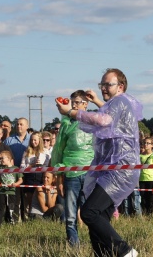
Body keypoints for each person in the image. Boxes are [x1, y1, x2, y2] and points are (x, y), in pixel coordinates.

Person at [55, 68, 142, 257]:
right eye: (101, 84)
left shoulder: (120, 101)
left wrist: (72, 112)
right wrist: (95, 100)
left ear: (120, 86)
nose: (103, 87)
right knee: (99, 216)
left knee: (89, 212)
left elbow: (103, 120)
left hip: (120, 169)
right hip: (113, 169)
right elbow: (109, 115)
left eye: (107, 84)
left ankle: (125, 251)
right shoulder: (118, 103)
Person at [51, 89, 94, 246]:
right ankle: (74, 246)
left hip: (90, 174)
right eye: (72, 102)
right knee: (70, 214)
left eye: (77, 103)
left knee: (91, 212)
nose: (74, 105)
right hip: (71, 174)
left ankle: (96, 243)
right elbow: (59, 151)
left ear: (86, 104)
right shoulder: (66, 124)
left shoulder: (93, 121)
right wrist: (58, 177)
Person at [3, 117, 30, 222]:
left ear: (27, 126)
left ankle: (26, 219)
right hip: (12, 174)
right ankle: (13, 218)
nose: (19, 126)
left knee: (26, 198)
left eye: (21, 124)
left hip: (28, 173)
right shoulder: (9, 140)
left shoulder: (32, 139)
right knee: (13, 199)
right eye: (17, 124)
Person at [0, 150, 22, 225]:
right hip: (2, 191)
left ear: (8, 159)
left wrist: (15, 184)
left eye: (3, 158)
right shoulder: (0, 167)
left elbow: (20, 179)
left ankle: (12, 222)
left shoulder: (15, 168)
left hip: (11, 191)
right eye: (0, 158)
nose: (1, 160)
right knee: (0, 208)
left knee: (11, 207)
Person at [20, 132, 49, 220]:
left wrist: (41, 164)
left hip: (41, 177)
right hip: (30, 177)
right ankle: (29, 218)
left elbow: (48, 166)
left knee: (41, 199)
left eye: (35, 140)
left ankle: (43, 217)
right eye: (32, 140)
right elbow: (21, 167)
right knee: (30, 200)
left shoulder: (46, 152)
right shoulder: (26, 151)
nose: (33, 142)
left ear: (39, 140)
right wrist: (32, 165)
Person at [139, 137, 153, 214]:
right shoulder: (140, 156)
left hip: (151, 180)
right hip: (141, 179)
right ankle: (144, 214)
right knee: (143, 199)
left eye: (148, 143)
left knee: (150, 199)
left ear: (152, 145)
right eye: (144, 143)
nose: (146, 145)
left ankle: (150, 215)